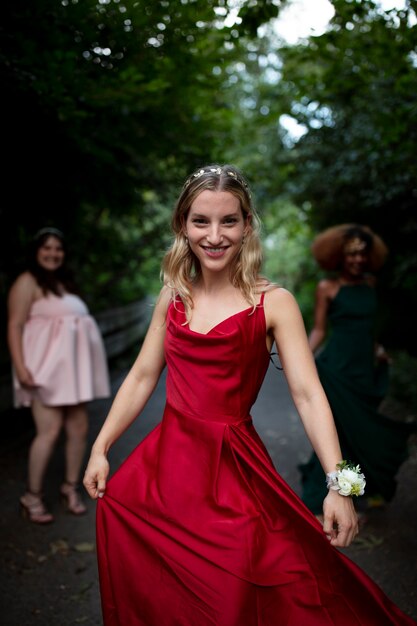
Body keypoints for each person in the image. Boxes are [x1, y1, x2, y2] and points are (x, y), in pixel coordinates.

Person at [83, 167, 415, 625]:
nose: (215, 235)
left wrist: (340, 485)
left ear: (247, 226)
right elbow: (142, 376)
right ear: (182, 225)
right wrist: (101, 447)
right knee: (162, 586)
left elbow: (307, 392)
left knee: (251, 589)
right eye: (201, 221)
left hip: (234, 471)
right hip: (165, 472)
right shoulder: (172, 296)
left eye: (229, 221)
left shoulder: (273, 302)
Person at [299, 224, 415, 518]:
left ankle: (368, 485)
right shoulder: (328, 288)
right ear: (340, 256)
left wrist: (376, 349)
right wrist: (300, 357)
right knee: (338, 429)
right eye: (351, 254)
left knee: (364, 428)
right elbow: (320, 330)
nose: (357, 260)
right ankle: (324, 493)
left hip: (364, 368)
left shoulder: (371, 284)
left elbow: (368, 327)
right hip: (337, 370)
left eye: (362, 254)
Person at [7, 227, 111, 524]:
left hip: (74, 374)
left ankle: (69, 487)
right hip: (46, 371)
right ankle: (32, 496)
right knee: (49, 432)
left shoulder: (65, 284)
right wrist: (21, 367)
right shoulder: (27, 282)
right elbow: (14, 326)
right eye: (47, 248)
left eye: (58, 249)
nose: (53, 254)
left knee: (78, 429)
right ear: (36, 251)